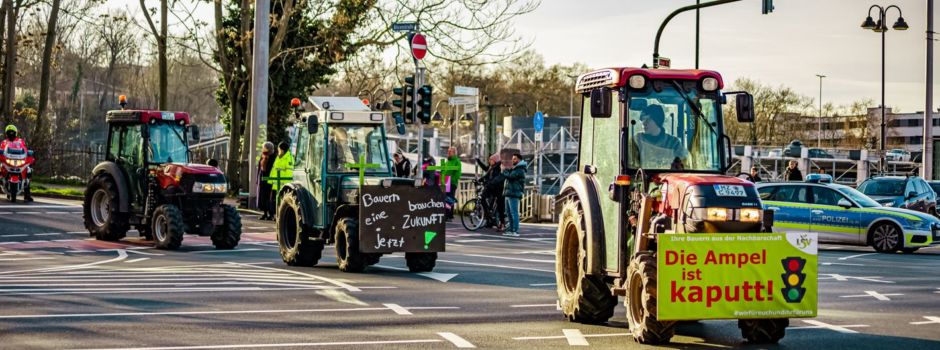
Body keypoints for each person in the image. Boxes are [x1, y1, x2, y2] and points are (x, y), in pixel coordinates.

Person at [630, 104, 688, 169]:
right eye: (642, 120)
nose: (644, 123)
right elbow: (631, 166)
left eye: (648, 120)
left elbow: (683, 167)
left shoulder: (673, 143)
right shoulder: (637, 141)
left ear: (658, 120)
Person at [476, 153, 506, 231]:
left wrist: (491, 182)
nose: (489, 161)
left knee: (500, 206)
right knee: (483, 198)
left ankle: (502, 223)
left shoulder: (500, 167)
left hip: (499, 189)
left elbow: (499, 178)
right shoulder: (492, 167)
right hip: (492, 187)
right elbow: (486, 175)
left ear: (495, 160)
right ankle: (488, 217)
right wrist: (479, 180)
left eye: (491, 160)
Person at [2, 125, 31, 202]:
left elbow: (24, 149)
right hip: (7, 161)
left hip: (19, 160)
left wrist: (28, 153)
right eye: (9, 132)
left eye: (12, 132)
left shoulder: (20, 141)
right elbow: (1, 149)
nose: (11, 134)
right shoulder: (4, 142)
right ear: (6, 133)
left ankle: (27, 195)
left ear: (15, 133)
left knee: (28, 170)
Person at [502, 153, 527, 237]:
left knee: (514, 213)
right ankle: (511, 229)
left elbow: (510, 176)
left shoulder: (520, 169)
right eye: (512, 158)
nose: (513, 160)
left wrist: (503, 170)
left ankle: (515, 230)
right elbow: (509, 174)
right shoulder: (515, 168)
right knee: (508, 213)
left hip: (514, 193)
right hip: (509, 193)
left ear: (519, 160)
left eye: (515, 159)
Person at [257, 142, 277, 220]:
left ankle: (271, 214)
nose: (263, 148)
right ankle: (265, 213)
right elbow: (260, 168)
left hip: (269, 180)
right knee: (262, 197)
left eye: (264, 147)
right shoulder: (262, 156)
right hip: (262, 180)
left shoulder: (273, 157)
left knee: (269, 197)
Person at [441, 147, 462, 220]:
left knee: (449, 198)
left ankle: (448, 215)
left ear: (454, 153)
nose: (448, 152)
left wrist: (451, 179)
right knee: (447, 198)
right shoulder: (447, 161)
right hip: (445, 182)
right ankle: (449, 215)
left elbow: (458, 174)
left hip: (452, 182)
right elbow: (443, 171)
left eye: (450, 151)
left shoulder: (457, 161)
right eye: (448, 151)